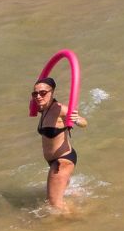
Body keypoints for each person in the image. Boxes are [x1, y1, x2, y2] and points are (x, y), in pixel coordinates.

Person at [30, 75, 87, 213]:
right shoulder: (43, 109)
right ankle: (80, 211)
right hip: (53, 161)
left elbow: (84, 122)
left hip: (62, 160)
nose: (38, 96)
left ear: (52, 92)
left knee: (54, 204)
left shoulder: (60, 109)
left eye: (43, 93)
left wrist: (77, 120)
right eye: (35, 93)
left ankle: (73, 224)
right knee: (57, 199)